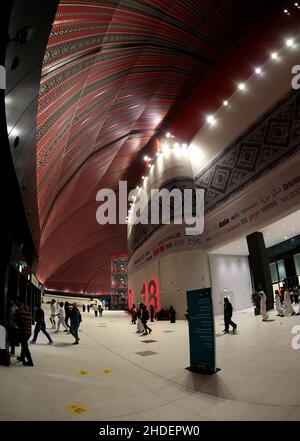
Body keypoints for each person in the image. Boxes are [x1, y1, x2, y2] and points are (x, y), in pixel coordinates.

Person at [15, 301, 34, 366]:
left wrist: (15, 306)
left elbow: (17, 315)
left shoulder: (22, 312)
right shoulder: (28, 313)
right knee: (24, 345)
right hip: (28, 332)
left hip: (24, 332)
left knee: (25, 347)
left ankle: (30, 361)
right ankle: (22, 357)